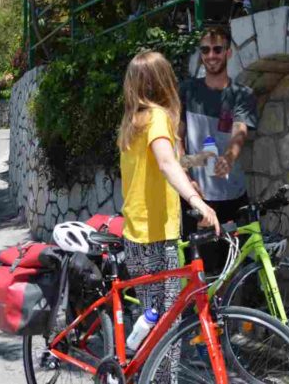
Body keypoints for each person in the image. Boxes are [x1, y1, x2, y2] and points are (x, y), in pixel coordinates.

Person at [117, 50, 219, 367]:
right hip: (158, 235)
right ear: (164, 82)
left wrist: (188, 178)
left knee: (152, 322)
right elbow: (164, 163)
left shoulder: (133, 121)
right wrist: (197, 201)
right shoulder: (158, 117)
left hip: (136, 233)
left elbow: (165, 163)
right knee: (167, 330)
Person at [181, 26, 258, 273]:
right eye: (205, 49)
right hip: (198, 199)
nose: (211, 55)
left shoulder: (242, 94)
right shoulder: (187, 90)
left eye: (217, 49)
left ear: (228, 52)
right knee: (202, 272)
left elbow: (240, 131)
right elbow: (176, 136)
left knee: (238, 270)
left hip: (234, 197)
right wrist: (186, 177)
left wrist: (229, 156)